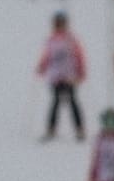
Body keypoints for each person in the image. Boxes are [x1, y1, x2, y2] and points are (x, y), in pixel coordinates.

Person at [36, 12, 87, 142]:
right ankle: (51, 129)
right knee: (56, 102)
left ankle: (79, 129)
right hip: (55, 76)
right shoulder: (51, 40)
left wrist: (81, 71)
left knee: (72, 101)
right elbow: (47, 56)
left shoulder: (71, 40)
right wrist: (42, 67)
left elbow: (79, 55)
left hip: (69, 75)